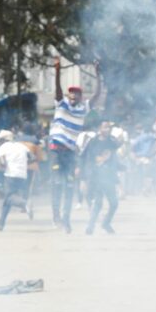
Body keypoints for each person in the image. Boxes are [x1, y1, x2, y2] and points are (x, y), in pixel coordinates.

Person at [48, 58, 101, 233]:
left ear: (80, 97)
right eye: (70, 93)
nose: (73, 95)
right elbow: (57, 90)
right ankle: (56, 216)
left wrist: (97, 74)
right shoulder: (61, 104)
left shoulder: (83, 109)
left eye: (76, 94)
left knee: (70, 186)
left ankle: (66, 219)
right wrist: (57, 71)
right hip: (56, 150)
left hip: (70, 152)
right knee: (56, 182)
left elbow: (97, 96)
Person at [83, 121, 121, 235]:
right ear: (99, 128)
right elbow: (88, 158)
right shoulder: (93, 142)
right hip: (97, 176)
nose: (107, 130)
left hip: (109, 176)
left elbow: (115, 153)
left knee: (114, 203)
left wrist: (121, 168)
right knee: (98, 203)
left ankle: (105, 223)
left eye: (109, 128)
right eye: (105, 128)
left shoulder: (112, 141)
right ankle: (90, 226)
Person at [0, 131, 32, 231]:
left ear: (4, 139)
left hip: (11, 175)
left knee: (10, 197)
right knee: (8, 200)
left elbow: (2, 162)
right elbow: (32, 157)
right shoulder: (22, 146)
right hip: (23, 175)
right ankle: (1, 223)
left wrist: (4, 165)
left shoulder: (4, 147)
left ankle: (24, 204)